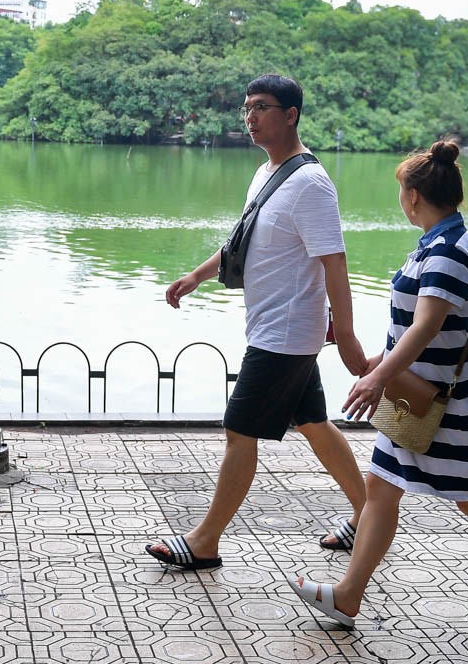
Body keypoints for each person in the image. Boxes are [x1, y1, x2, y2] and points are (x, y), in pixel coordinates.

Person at [289, 140, 468, 640]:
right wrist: (377, 365)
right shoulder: (434, 242)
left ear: (414, 196)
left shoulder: (451, 250)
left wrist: (377, 376)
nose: (400, 199)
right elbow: (411, 330)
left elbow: (426, 327)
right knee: (381, 488)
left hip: (449, 406)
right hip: (415, 396)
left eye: (401, 191)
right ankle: (349, 594)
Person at [145, 73, 368, 571]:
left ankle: (204, 541)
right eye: (247, 108)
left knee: (238, 431)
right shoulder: (267, 172)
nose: (250, 117)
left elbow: (335, 262)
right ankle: (368, 514)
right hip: (278, 326)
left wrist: (347, 337)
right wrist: (197, 276)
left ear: (290, 115)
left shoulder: (311, 184)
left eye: (262, 107)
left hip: (287, 334)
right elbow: (242, 241)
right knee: (313, 422)